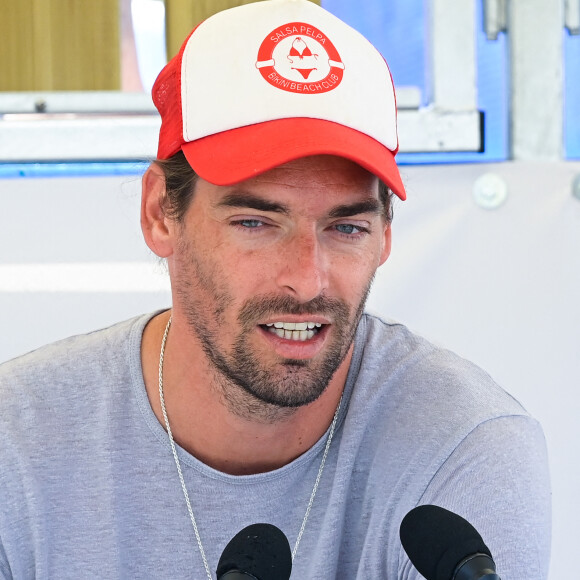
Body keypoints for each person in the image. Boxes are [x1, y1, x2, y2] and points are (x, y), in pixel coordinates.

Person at [0, 1, 550, 578]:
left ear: (385, 235)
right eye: (255, 223)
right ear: (161, 214)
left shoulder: (463, 448)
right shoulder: (18, 445)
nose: (307, 280)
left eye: (346, 227)